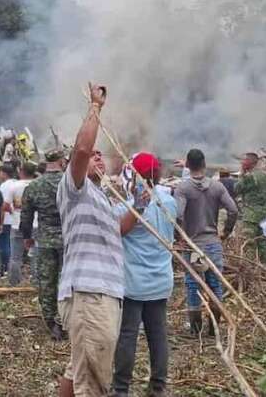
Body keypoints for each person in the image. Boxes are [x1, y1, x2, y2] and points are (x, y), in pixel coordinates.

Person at [57, 83, 124, 397]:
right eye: (94, 154)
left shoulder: (100, 197)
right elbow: (81, 150)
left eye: (102, 155)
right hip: (89, 294)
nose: (98, 156)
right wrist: (96, 107)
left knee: (78, 370)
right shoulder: (75, 188)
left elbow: (118, 232)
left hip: (102, 293)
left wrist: (145, 201)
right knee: (93, 382)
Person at [112, 152, 177, 397]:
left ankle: (121, 388)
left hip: (133, 283)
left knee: (127, 335)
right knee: (158, 335)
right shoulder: (169, 201)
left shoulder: (128, 207)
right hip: (161, 279)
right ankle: (158, 386)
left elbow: (117, 230)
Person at [173, 148, 238, 336]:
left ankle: (195, 329)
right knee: (214, 283)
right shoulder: (217, 187)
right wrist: (225, 232)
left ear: (187, 164)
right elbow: (233, 210)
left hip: (193, 246)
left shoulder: (183, 188)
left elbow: (177, 214)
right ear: (204, 164)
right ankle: (214, 329)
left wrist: (180, 237)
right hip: (213, 244)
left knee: (193, 284)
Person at [21, 149, 67, 339]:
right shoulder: (69, 183)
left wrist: (27, 237)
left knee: (47, 281)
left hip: (45, 239)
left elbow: (26, 216)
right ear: (62, 162)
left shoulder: (34, 186)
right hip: (68, 239)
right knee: (68, 281)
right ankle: (66, 319)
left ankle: (50, 321)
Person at [235, 152, 266, 264]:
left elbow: (237, 188)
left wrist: (241, 174)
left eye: (244, 161)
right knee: (264, 244)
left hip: (251, 217)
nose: (242, 162)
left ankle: (250, 271)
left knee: (248, 244)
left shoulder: (250, 177)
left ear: (249, 163)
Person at [5, 161, 35, 285]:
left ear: (21, 171)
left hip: (17, 224)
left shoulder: (14, 186)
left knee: (15, 257)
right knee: (35, 255)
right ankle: (36, 281)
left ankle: (14, 282)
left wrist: (13, 212)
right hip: (35, 224)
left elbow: (6, 205)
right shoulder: (37, 185)